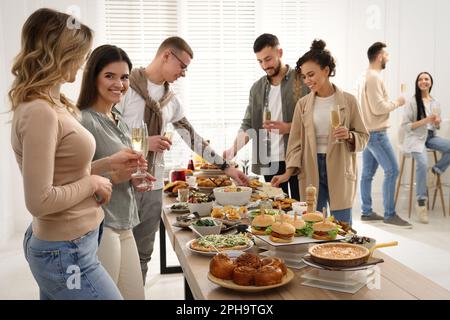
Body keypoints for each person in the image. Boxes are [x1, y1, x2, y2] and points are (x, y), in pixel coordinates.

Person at [9, 8, 140, 299]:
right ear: (59, 52)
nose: (83, 62)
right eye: (80, 53)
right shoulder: (40, 111)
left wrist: (106, 164)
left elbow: (63, 172)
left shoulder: (55, 103)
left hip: (75, 244)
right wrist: (94, 183)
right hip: (66, 251)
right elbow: (39, 200)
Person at [117, 36, 248, 283]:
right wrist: (145, 144)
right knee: (118, 255)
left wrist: (226, 168)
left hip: (153, 184)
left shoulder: (171, 101)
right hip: (121, 184)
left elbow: (193, 138)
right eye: (183, 66)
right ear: (167, 55)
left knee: (143, 254)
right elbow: (107, 135)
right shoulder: (123, 88)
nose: (184, 74)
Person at [78, 45, 156, 299]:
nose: (119, 84)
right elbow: (72, 175)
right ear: (93, 76)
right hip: (103, 225)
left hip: (125, 221)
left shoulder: (117, 117)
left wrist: (133, 176)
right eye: (110, 76)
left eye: (124, 77)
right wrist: (113, 174)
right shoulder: (84, 121)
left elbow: (116, 167)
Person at [271, 39, 368, 225]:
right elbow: (295, 144)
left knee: (342, 226)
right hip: (311, 167)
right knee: (313, 224)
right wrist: (287, 172)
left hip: (340, 168)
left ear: (326, 70)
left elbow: (363, 137)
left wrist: (349, 135)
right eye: (304, 76)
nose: (307, 81)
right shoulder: (303, 105)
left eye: (311, 75)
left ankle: (343, 253)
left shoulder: (349, 101)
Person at [223, 33, 309, 200]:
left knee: (302, 211)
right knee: (277, 213)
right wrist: (233, 149)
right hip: (269, 162)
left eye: (268, 59)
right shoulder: (257, 89)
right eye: (260, 61)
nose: (264, 65)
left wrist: (288, 127)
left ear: (280, 53)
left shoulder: (302, 80)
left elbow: (315, 119)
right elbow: (249, 124)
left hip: (299, 159)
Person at [359, 42, 412, 228]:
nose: (388, 58)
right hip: (376, 134)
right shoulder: (374, 78)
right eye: (386, 55)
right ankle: (390, 214)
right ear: (380, 56)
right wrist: (398, 102)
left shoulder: (365, 76)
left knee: (367, 175)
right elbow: (378, 107)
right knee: (393, 170)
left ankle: (366, 211)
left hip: (368, 132)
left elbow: (372, 105)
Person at [401, 72, 450, 224]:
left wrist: (436, 123)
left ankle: (435, 171)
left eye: (426, 79)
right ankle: (421, 202)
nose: (423, 81)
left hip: (430, 136)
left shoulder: (435, 102)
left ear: (431, 82)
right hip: (415, 137)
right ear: (417, 83)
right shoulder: (412, 102)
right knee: (422, 163)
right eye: (420, 79)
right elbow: (406, 126)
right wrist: (425, 120)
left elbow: (436, 125)